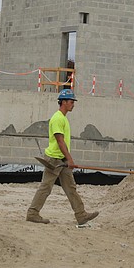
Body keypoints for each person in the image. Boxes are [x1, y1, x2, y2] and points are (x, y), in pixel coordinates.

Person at [26, 89, 99, 225]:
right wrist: (70, 159)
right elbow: (60, 141)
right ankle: (32, 213)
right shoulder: (58, 118)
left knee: (70, 187)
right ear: (64, 102)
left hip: (62, 159)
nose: (73, 104)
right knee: (46, 187)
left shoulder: (63, 118)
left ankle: (81, 215)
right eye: (71, 102)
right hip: (54, 160)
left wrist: (67, 159)